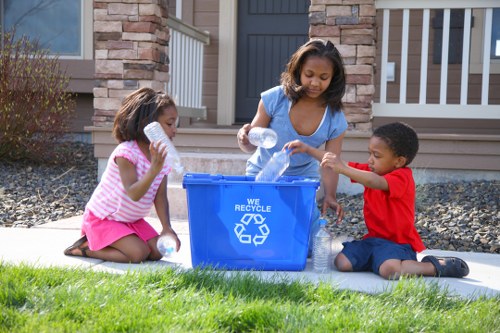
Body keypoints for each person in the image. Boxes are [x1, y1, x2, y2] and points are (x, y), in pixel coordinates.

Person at [318, 122, 469, 279]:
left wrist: (342, 169)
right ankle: (378, 261)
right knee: (342, 263)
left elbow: (373, 181)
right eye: (369, 153)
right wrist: (306, 149)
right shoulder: (371, 170)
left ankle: (433, 266)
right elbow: (336, 161)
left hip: (398, 244)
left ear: (399, 161)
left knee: (390, 271)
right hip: (373, 241)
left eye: (376, 156)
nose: (370, 160)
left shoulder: (402, 177)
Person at [237, 39, 349, 250]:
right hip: (263, 174)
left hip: (301, 180)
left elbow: (331, 163)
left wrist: (330, 195)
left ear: (334, 79)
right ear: (298, 71)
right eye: (309, 75)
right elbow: (251, 144)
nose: (315, 83)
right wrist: (244, 138)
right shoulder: (275, 99)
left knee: (311, 246)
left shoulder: (334, 117)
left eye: (323, 77)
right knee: (258, 233)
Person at [64, 87, 181, 263]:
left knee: (158, 251)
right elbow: (133, 193)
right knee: (138, 253)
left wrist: (167, 228)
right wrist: (153, 170)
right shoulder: (127, 153)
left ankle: (119, 241)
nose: (174, 130)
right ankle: (85, 248)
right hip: (104, 219)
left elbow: (160, 197)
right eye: (169, 124)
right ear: (148, 125)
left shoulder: (161, 158)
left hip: (130, 221)